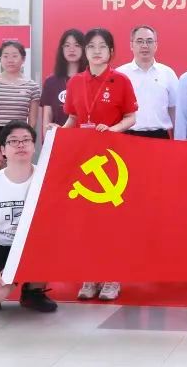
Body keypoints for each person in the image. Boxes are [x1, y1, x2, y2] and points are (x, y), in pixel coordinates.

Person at [62, 27, 138, 301]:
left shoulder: (121, 81)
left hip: (113, 159)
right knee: (86, 220)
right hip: (83, 160)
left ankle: (112, 277)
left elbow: (131, 117)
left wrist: (113, 129)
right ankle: (89, 274)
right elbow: (73, 118)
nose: (96, 51)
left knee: (112, 221)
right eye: (91, 46)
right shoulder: (75, 82)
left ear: (111, 51)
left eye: (102, 46)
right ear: (85, 51)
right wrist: (59, 133)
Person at [0, 121, 57, 313]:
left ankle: (33, 291)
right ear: (3, 150)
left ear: (33, 146)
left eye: (26, 140)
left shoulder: (46, 179)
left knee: (52, 241)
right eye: (13, 141)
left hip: (32, 245)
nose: (20, 145)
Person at [0, 41, 40, 179]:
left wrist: (25, 144)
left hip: (19, 138)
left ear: (23, 59)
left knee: (18, 179)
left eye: (14, 56)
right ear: (0, 59)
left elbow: (32, 121)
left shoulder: (32, 86)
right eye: (5, 56)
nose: (10, 60)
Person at [117, 25, 178, 139]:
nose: (144, 45)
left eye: (149, 41)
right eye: (139, 41)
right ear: (131, 45)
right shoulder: (120, 74)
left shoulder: (167, 73)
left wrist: (177, 138)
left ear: (156, 45)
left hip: (160, 137)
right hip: (128, 136)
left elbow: (173, 110)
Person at [41, 28, 86, 130]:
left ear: (84, 48)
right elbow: (47, 116)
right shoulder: (51, 82)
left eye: (77, 45)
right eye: (67, 45)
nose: (71, 49)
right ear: (61, 49)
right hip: (58, 136)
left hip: (84, 136)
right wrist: (47, 136)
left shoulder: (90, 80)